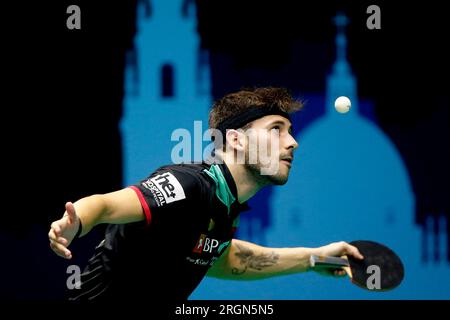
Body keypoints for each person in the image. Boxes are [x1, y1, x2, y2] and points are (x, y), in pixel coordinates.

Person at [48, 87, 363, 302]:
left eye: (291, 131)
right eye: (276, 129)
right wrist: (77, 221)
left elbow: (228, 259)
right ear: (236, 140)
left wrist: (314, 259)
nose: (292, 142)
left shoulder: (227, 205)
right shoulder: (188, 184)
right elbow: (106, 205)